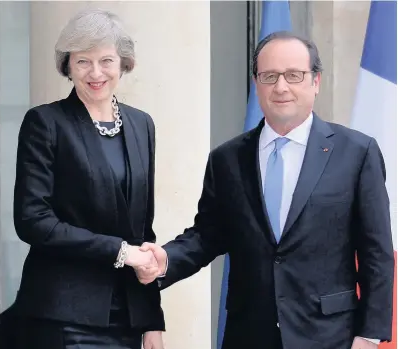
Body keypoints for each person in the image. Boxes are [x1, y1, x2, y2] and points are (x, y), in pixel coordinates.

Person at [137, 31, 395, 349]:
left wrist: (368, 336)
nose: (281, 86)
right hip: (248, 334)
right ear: (257, 84)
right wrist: (166, 260)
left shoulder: (356, 153)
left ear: (316, 82)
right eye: (269, 76)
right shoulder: (227, 159)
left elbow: (376, 253)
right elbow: (207, 236)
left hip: (330, 338)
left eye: (293, 75)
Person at [12, 8, 164, 349]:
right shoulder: (45, 123)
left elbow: (143, 231)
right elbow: (32, 221)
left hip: (126, 317)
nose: (96, 72)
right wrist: (120, 251)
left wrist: (152, 319)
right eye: (83, 61)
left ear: (124, 63)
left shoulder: (142, 125)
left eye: (106, 60)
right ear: (67, 65)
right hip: (64, 316)